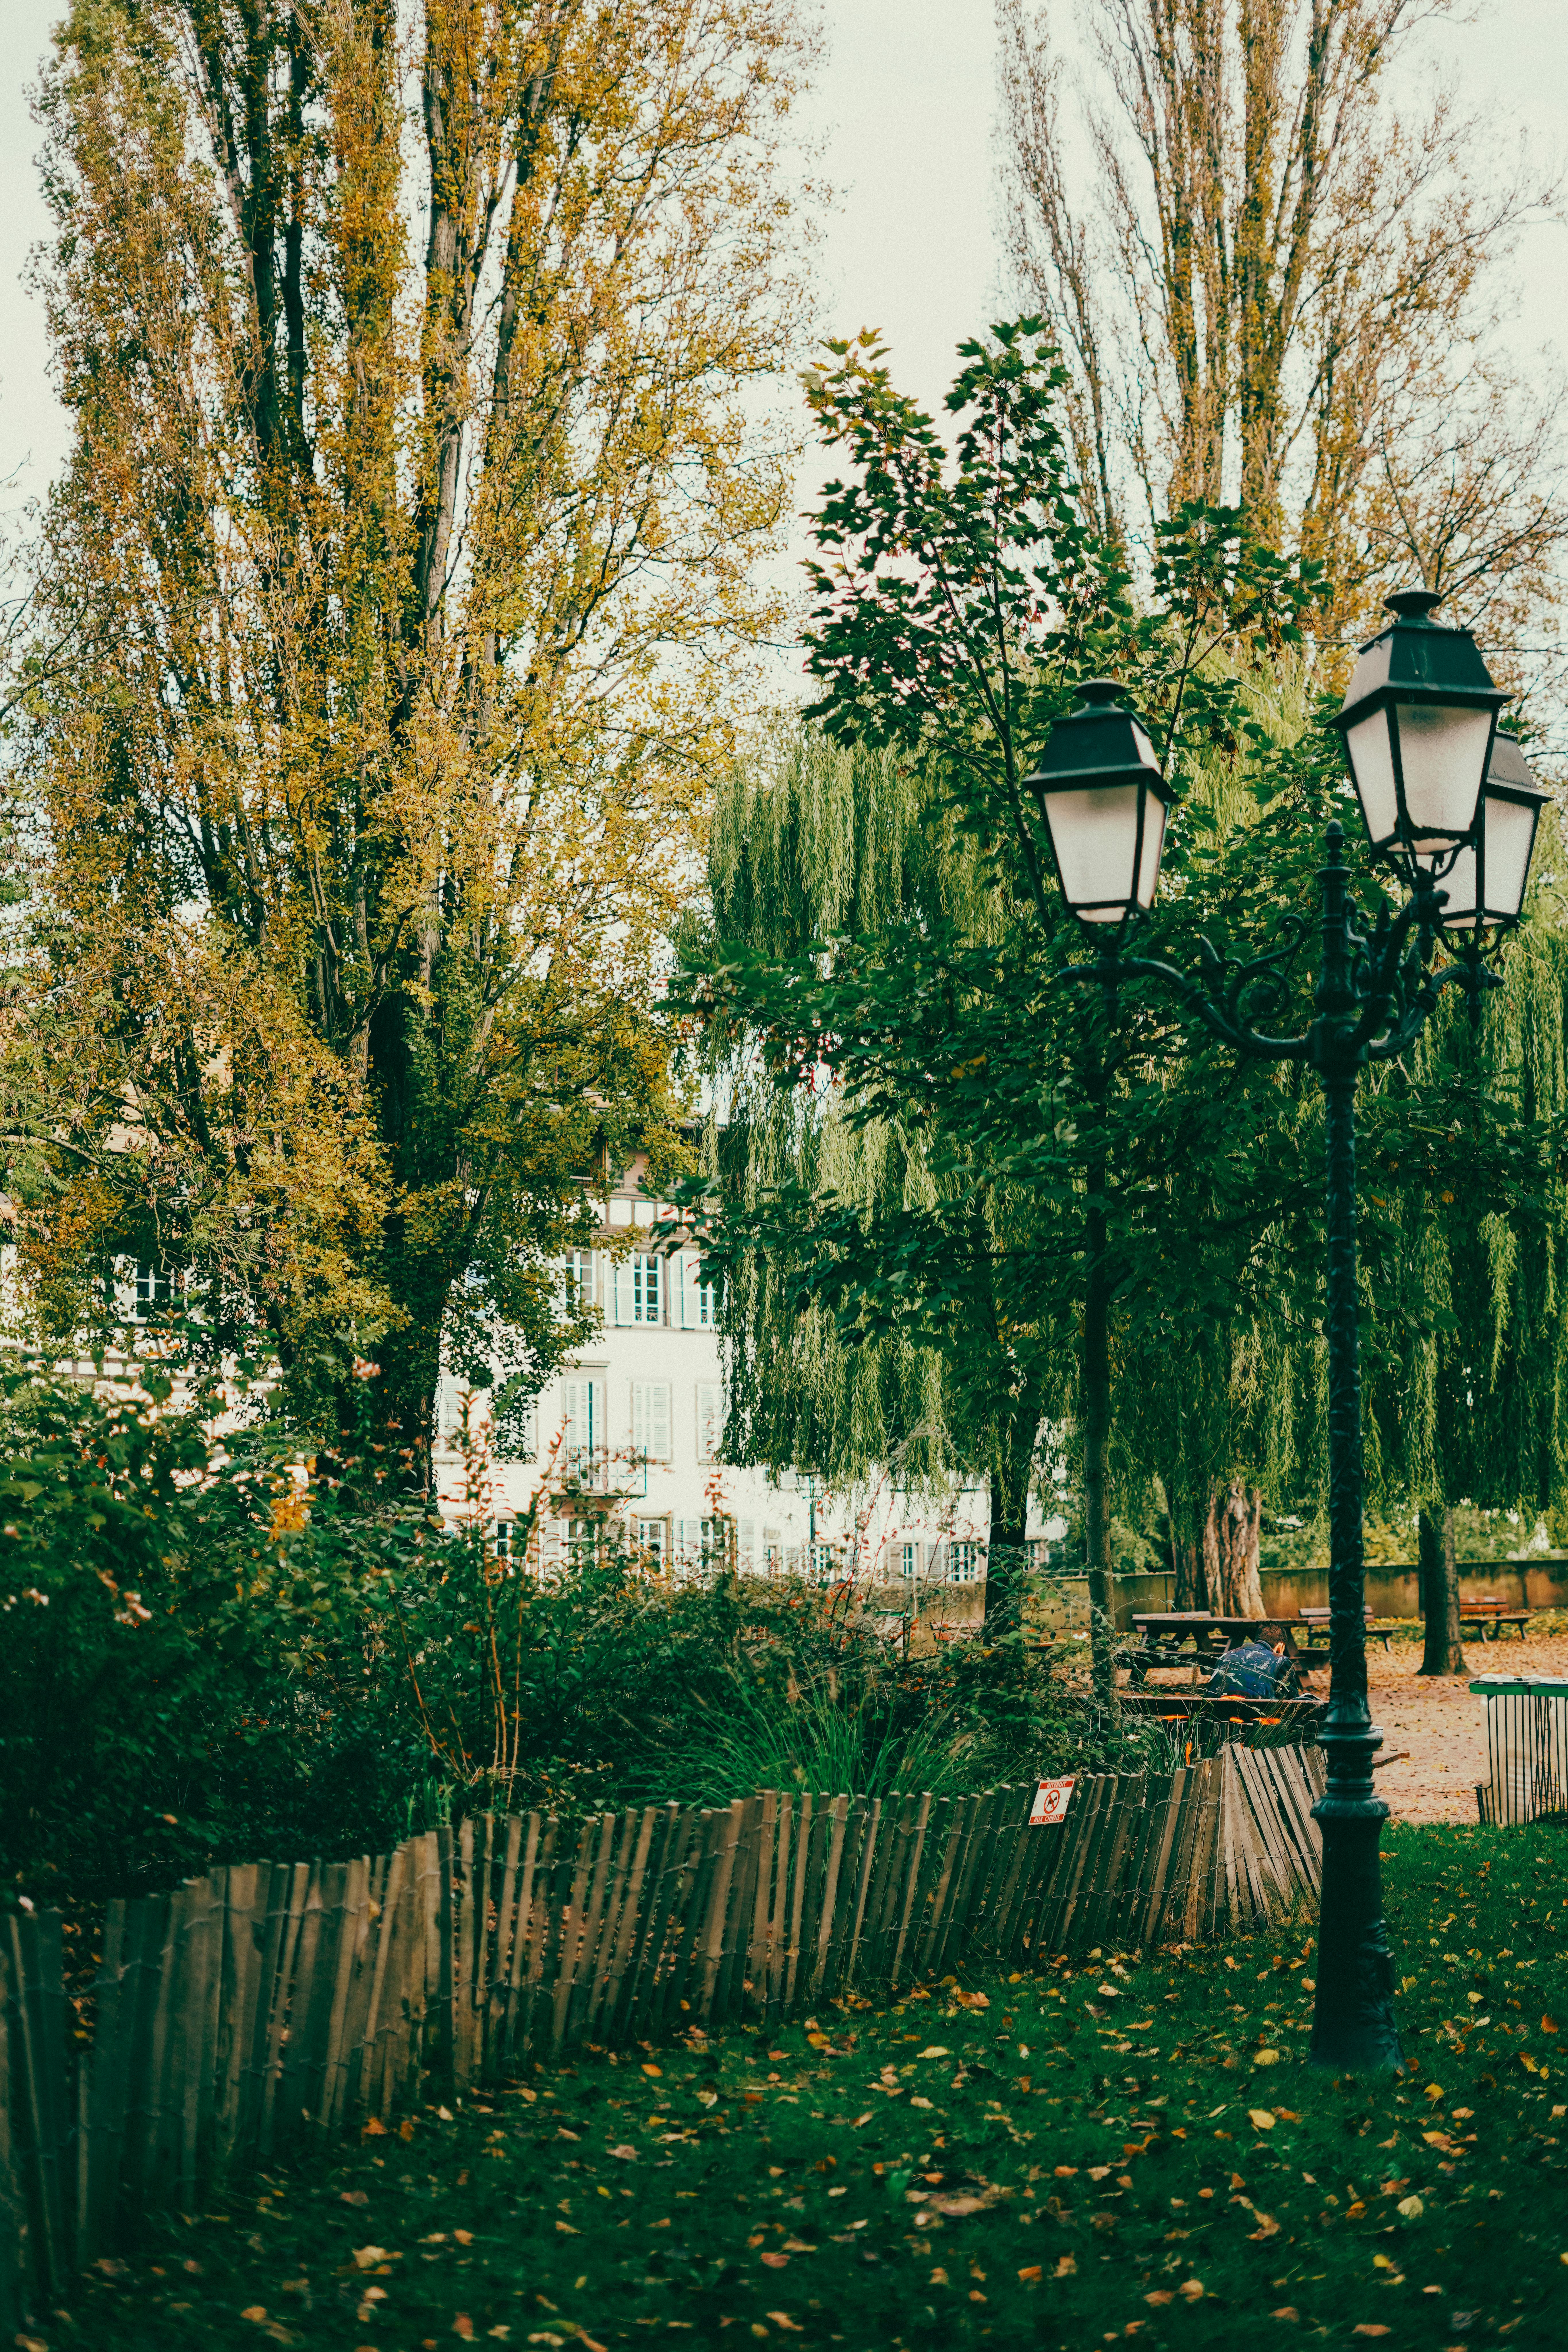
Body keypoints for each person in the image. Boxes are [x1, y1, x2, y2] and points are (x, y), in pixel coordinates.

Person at [1206, 1622, 1302, 1700]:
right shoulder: (1281, 1661)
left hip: (1215, 1714)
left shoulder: (1226, 1655)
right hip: (1254, 1718)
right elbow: (1292, 1700)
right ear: (1280, 1647)